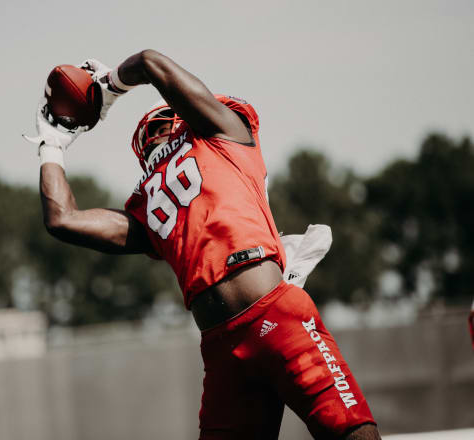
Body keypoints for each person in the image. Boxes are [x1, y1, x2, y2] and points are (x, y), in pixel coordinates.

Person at [24, 50, 380, 440]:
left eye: (161, 125)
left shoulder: (223, 135)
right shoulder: (153, 208)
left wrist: (109, 87)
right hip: (221, 345)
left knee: (352, 435)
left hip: (276, 316)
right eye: (150, 134)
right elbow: (62, 219)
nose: (155, 138)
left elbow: (149, 62)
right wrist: (52, 143)